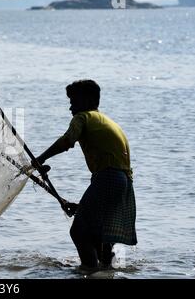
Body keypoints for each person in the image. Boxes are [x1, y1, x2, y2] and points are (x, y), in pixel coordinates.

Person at [35, 79, 137, 271]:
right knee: (99, 233)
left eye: (74, 101)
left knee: (79, 232)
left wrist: (41, 158)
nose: (71, 107)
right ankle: (106, 268)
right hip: (122, 181)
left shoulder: (83, 117)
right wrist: (82, 208)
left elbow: (67, 140)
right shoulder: (107, 121)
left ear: (88, 100)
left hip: (107, 177)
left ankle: (89, 270)